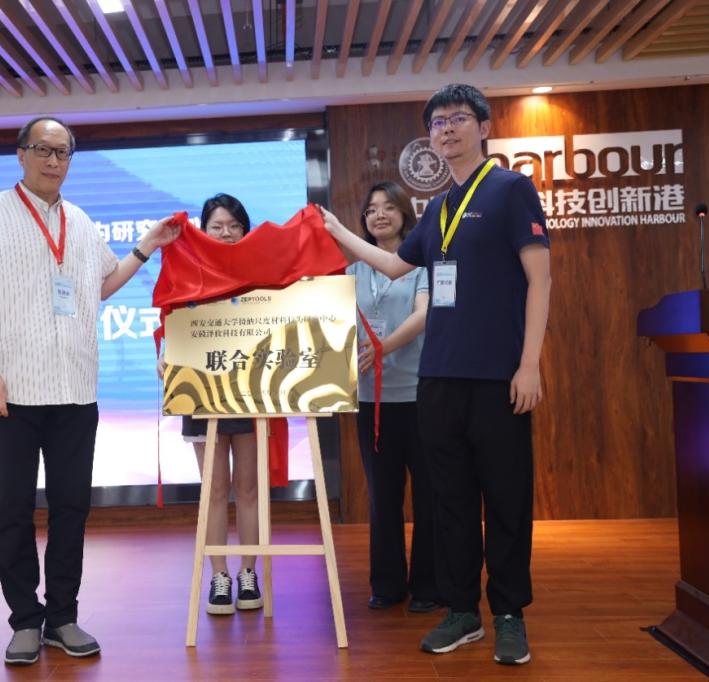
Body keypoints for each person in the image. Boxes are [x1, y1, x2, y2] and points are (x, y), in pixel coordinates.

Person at [320, 83, 551, 666]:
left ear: (484, 127)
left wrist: (529, 363)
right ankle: (462, 611)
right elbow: (394, 265)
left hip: (498, 377)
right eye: (437, 122)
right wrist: (340, 233)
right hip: (438, 380)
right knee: (449, 501)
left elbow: (541, 280)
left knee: (506, 498)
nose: (446, 129)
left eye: (457, 118)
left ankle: (509, 614)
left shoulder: (511, 189)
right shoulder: (439, 209)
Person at [0, 116, 179, 665]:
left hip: (76, 389)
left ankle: (61, 616)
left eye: (63, 153)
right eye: (43, 150)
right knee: (15, 508)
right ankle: (23, 620)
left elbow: (99, 285)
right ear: (21, 154)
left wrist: (147, 246)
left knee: (72, 507)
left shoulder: (78, 221)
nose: (54, 161)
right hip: (13, 390)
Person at [159, 193, 264, 616]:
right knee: (215, 490)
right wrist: (165, 355)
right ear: (202, 231)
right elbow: (172, 322)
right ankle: (220, 575)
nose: (226, 233)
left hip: (252, 391)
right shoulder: (188, 272)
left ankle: (249, 572)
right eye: (217, 226)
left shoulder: (259, 272)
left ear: (245, 230)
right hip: (201, 391)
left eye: (234, 226)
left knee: (249, 489)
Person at [348, 181, 439, 614]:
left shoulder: (422, 263)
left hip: (421, 395)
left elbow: (425, 315)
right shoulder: (351, 272)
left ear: (404, 213)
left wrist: (383, 348)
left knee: (429, 496)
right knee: (383, 497)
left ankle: (428, 585)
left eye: (387, 207)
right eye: (371, 210)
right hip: (372, 401)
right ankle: (387, 584)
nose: (379, 215)